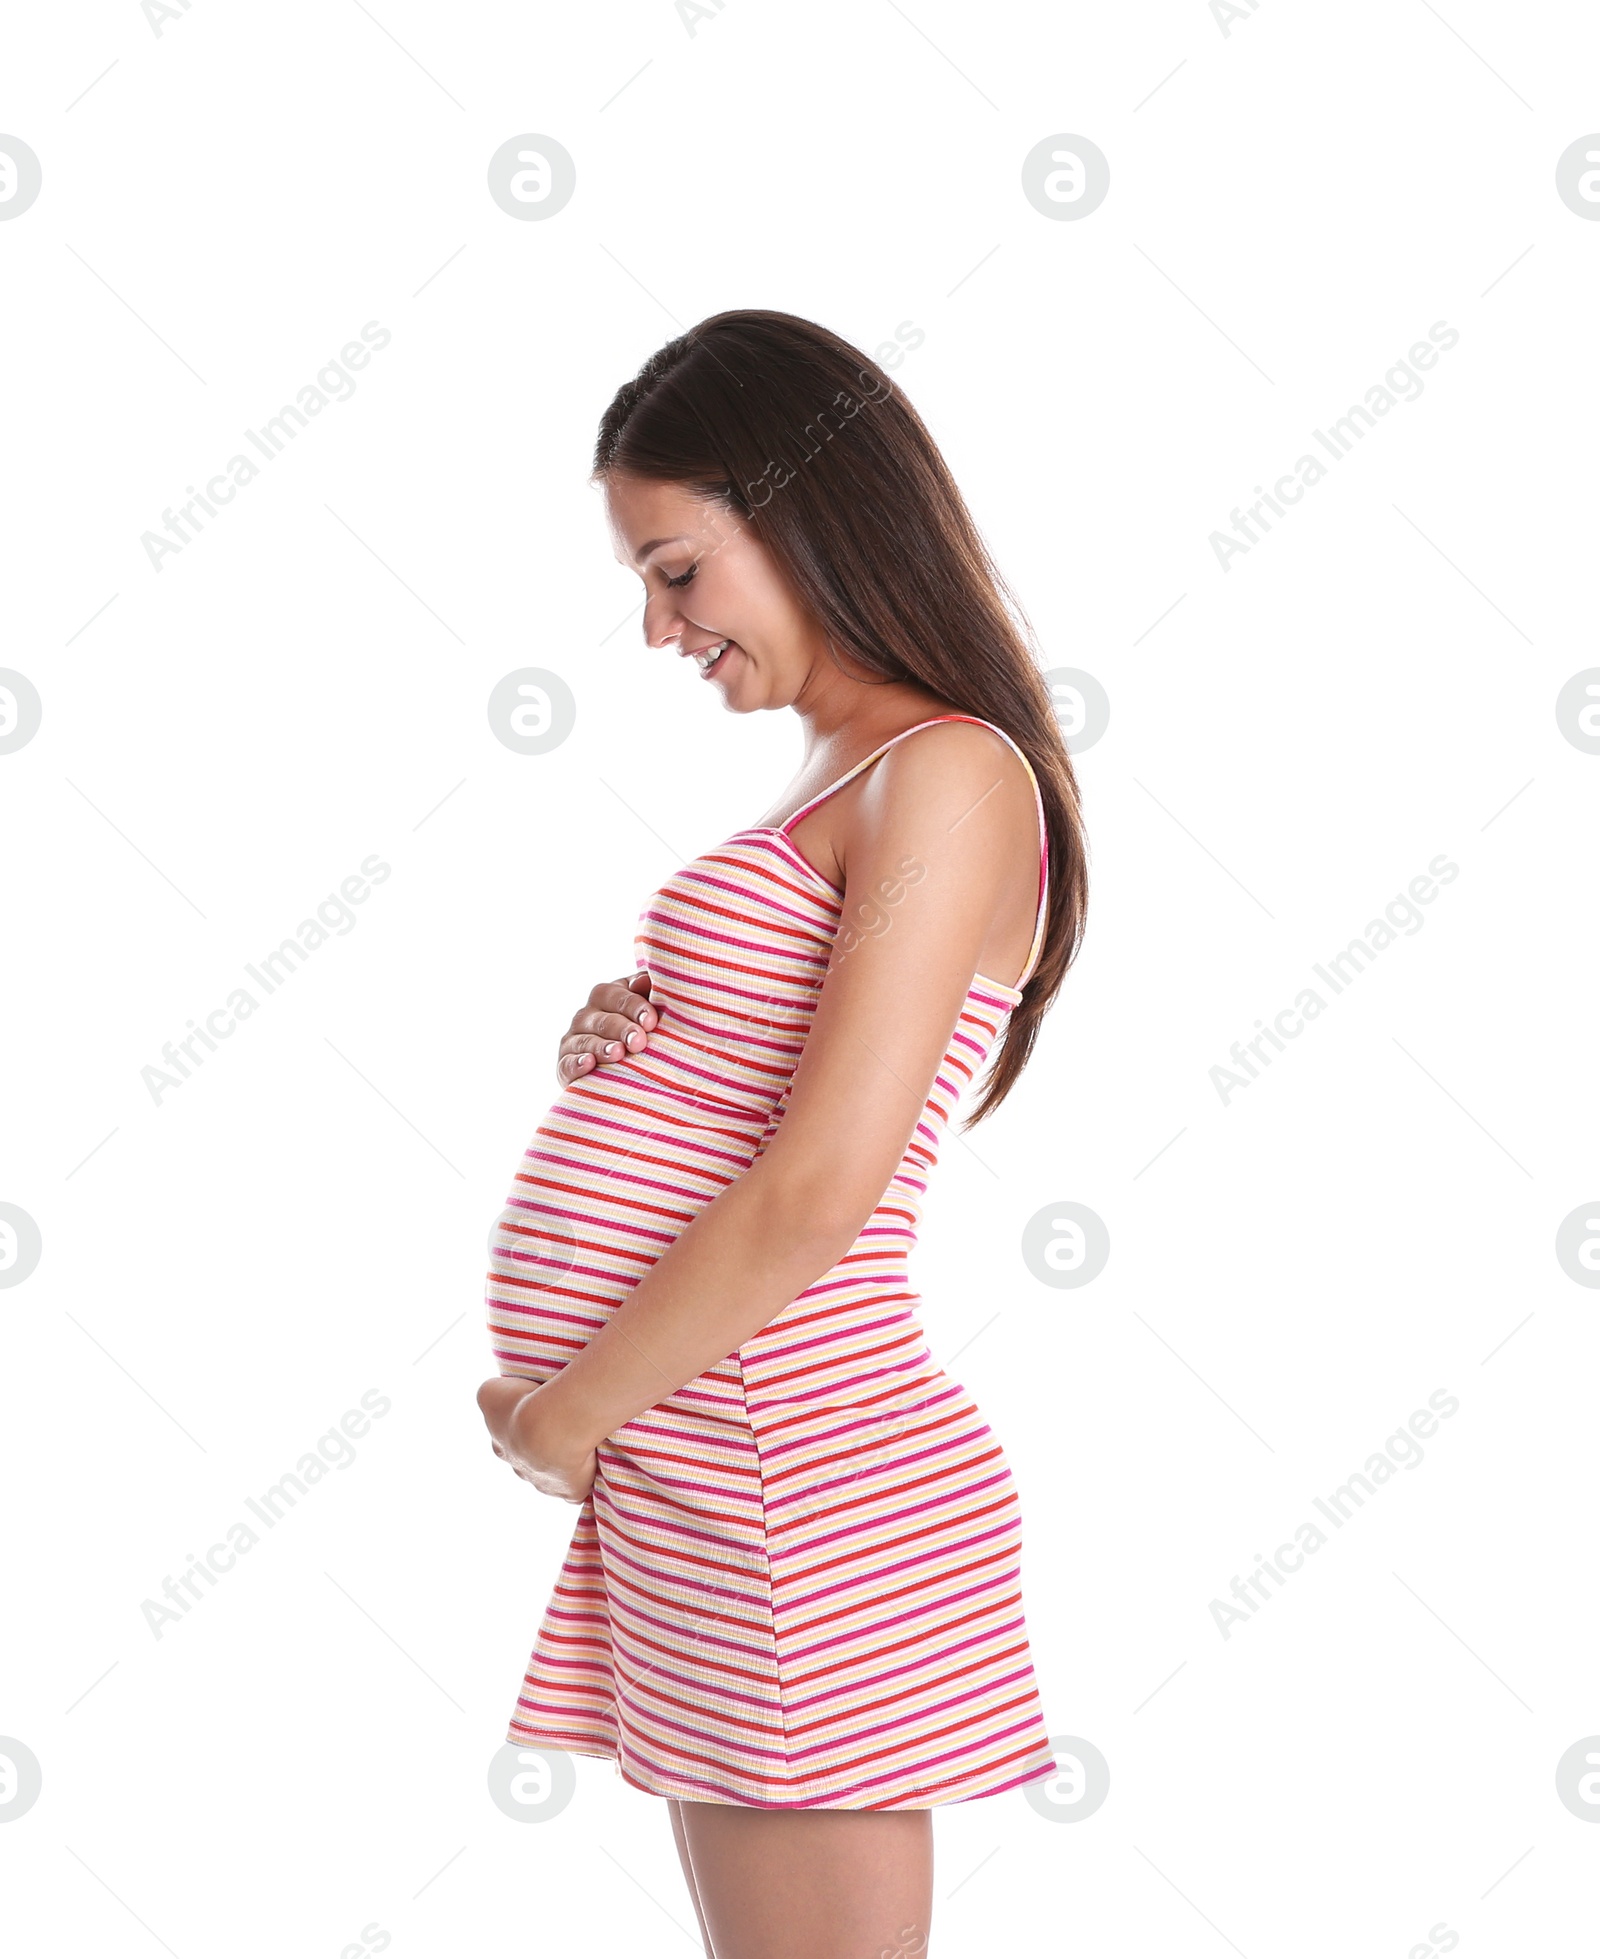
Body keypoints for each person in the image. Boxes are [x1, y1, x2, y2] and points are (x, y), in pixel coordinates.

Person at [477, 309, 1089, 1959]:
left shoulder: (948, 773)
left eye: (678, 570)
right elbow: (777, 1088)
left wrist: (564, 1416)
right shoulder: (846, 768)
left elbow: (821, 1190)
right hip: (711, 1469)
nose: (660, 629)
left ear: (810, 511)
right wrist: (642, 1046)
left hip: (789, 1473)